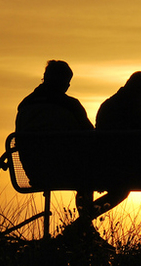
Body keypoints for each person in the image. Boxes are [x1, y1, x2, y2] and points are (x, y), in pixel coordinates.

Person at [15, 60, 101, 230]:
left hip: (35, 172)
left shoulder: (25, 106)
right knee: (92, 177)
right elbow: (92, 137)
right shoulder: (71, 106)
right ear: (65, 83)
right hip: (68, 171)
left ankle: (84, 230)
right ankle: (82, 228)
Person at [93, 71, 141, 215]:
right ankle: (82, 223)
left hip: (104, 164)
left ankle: (83, 223)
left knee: (120, 192)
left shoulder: (108, 105)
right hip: (127, 166)